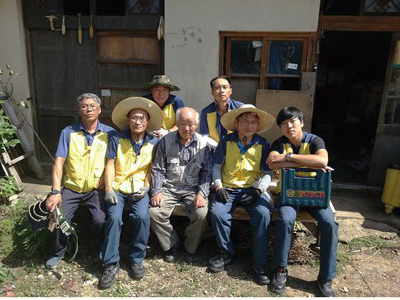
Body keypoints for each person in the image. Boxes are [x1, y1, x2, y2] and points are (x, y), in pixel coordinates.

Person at [267, 106, 338, 297]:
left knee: (329, 223)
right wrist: (309, 161)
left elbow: (323, 161)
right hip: (289, 195)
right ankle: (281, 270)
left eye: (293, 121)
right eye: (284, 123)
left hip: (314, 195)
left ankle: (325, 278)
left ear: (301, 122)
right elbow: (272, 163)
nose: (289, 126)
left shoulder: (315, 140)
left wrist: (289, 158)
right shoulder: (279, 143)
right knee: (285, 219)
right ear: (280, 127)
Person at [98, 97, 163, 289]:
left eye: (142, 118)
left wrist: (146, 186)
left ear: (147, 122)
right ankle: (110, 263)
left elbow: (152, 168)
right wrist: (109, 189)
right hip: (118, 187)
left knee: (142, 217)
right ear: (128, 120)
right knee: (114, 218)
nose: (138, 121)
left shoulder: (153, 141)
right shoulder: (116, 137)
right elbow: (109, 164)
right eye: (134, 117)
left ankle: (136, 258)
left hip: (138, 189)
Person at [45, 93, 115, 269]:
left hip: (95, 188)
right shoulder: (68, 132)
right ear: (79, 110)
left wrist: (106, 182)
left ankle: (95, 245)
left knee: (99, 219)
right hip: (72, 187)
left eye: (93, 106)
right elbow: (59, 162)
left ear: (99, 110)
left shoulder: (109, 133)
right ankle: (58, 252)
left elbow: (113, 163)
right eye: (84, 106)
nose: (89, 109)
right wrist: (55, 191)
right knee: (60, 218)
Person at [208, 104, 275, 286]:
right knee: (217, 213)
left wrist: (259, 190)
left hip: (251, 190)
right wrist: (218, 186)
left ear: (257, 125)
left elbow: (268, 173)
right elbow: (216, 167)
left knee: (262, 214)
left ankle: (259, 262)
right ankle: (226, 253)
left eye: (253, 122)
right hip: (227, 189)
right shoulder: (226, 141)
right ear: (237, 123)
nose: (249, 126)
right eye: (245, 121)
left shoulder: (263, 144)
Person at [149, 107, 212, 263]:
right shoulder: (165, 141)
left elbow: (207, 173)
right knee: (154, 213)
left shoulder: (204, 144)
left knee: (201, 214)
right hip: (169, 188)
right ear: (176, 123)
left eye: (190, 124)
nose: (186, 128)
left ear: (197, 124)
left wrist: (202, 194)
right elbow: (158, 168)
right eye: (182, 124)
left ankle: (190, 247)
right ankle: (171, 244)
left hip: (193, 189)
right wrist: (156, 191)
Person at [200, 76, 243, 148]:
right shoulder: (206, 112)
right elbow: (204, 137)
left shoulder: (240, 108)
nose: (221, 91)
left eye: (225, 87)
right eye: (217, 88)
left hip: (237, 150)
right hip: (214, 151)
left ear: (230, 91)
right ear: (212, 92)